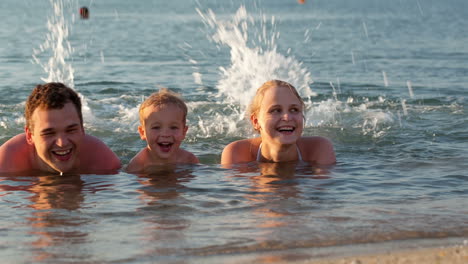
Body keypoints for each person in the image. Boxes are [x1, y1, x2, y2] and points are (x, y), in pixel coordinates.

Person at [0, 82, 121, 175]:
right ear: (29, 136)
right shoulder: (6, 166)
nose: (62, 143)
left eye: (71, 130)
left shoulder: (104, 163)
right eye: (49, 133)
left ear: (82, 129)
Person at [221, 80, 336, 165]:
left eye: (294, 110)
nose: (287, 117)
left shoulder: (319, 149)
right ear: (256, 121)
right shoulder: (237, 153)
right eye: (275, 110)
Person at [126, 88, 199, 173]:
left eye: (173, 127)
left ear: (184, 132)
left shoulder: (188, 160)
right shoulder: (138, 164)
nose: (165, 134)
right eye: (156, 127)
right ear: (142, 132)